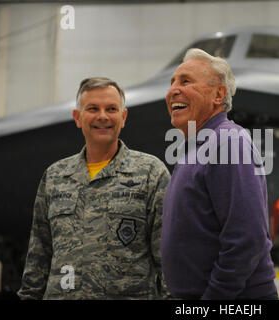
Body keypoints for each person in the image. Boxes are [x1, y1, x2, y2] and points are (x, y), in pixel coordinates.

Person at [17, 77, 170, 299]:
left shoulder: (150, 173)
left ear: (123, 117)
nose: (102, 116)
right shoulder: (55, 176)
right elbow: (38, 256)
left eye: (111, 108)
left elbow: (168, 259)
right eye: (92, 108)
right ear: (78, 118)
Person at [161, 49, 278, 299]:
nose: (173, 90)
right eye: (172, 83)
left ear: (218, 94)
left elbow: (247, 239)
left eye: (185, 81)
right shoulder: (196, 149)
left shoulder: (228, 142)